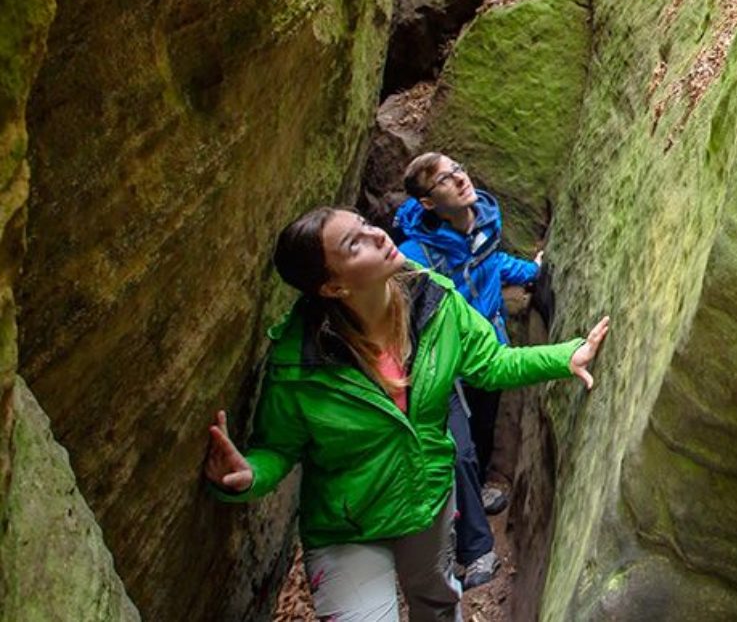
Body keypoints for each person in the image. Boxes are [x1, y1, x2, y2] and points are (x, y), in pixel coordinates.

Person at [202, 207, 610, 622]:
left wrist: (565, 356)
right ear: (332, 286)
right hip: (348, 527)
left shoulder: (435, 304)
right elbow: (278, 447)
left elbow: (490, 364)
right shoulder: (298, 363)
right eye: (354, 243)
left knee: (436, 603)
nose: (377, 235)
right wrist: (249, 476)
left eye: (365, 225)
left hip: (425, 501)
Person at [393, 152, 541, 586]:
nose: (460, 179)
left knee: (482, 429)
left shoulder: (483, 221)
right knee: (459, 448)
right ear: (427, 202)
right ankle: (469, 542)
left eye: (459, 169)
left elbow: (492, 266)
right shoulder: (414, 256)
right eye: (445, 179)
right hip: (447, 364)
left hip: (489, 350)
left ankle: (473, 496)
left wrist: (535, 270)